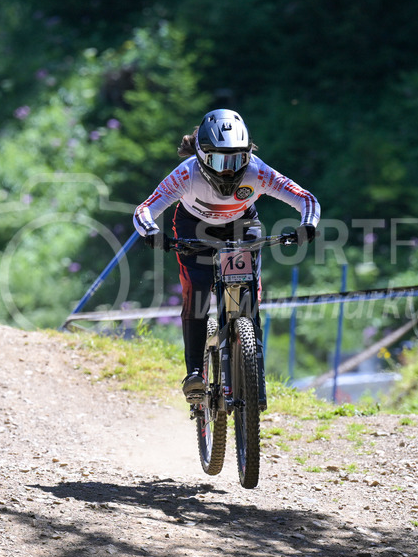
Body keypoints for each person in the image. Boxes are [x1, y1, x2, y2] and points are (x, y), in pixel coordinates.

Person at [133, 109, 321, 402]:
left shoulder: (257, 171)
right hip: (194, 228)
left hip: (240, 226)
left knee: (248, 294)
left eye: (237, 160)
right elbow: (145, 209)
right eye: (220, 161)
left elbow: (305, 198)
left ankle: (251, 359)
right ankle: (195, 372)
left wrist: (308, 224)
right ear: (202, 158)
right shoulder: (186, 174)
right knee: (196, 293)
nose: (229, 171)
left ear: (247, 156)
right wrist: (150, 232)